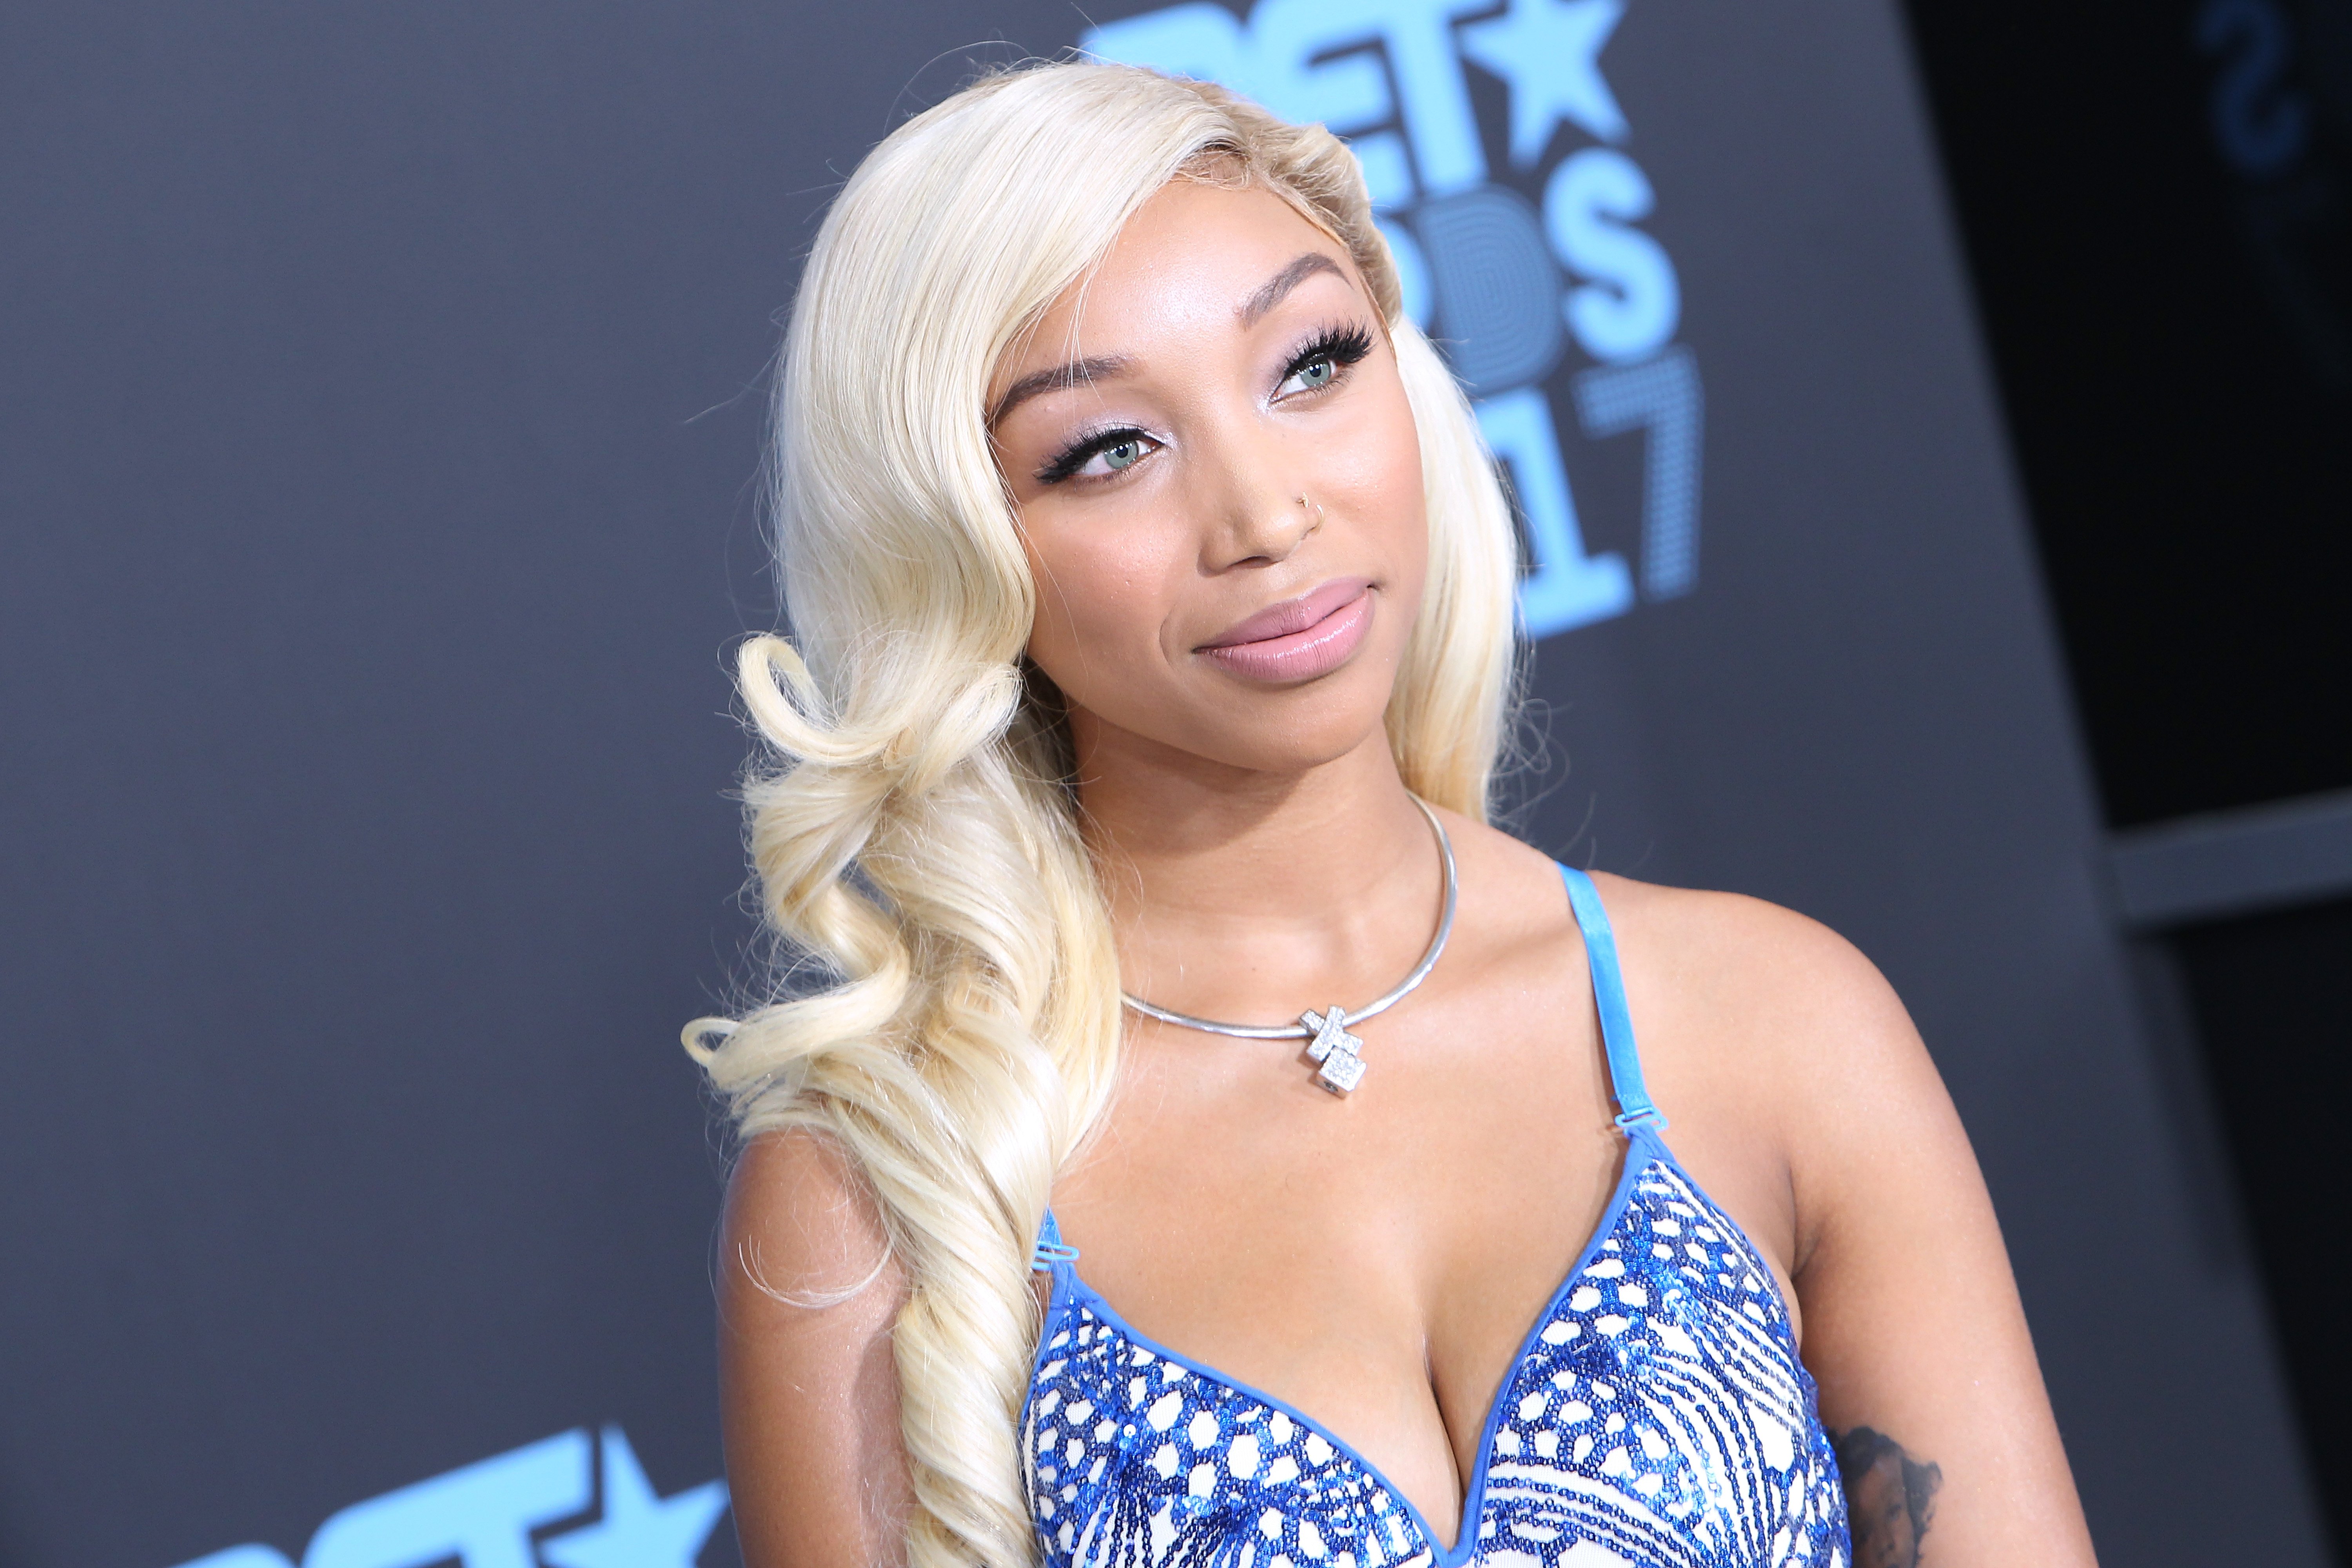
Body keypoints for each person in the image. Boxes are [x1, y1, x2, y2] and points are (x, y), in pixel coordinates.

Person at [685, 60, 2097, 1568]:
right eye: (1109, 450)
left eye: (1309, 364)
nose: (1267, 516)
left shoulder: (1775, 1022)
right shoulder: (879, 1195)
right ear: (956, 547)